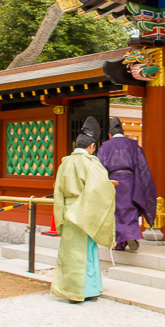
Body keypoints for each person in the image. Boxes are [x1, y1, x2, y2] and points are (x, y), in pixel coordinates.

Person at [50, 116, 116, 303]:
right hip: (83, 210)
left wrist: (60, 216)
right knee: (87, 250)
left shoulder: (64, 163)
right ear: (91, 146)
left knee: (70, 253)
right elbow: (101, 188)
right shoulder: (91, 163)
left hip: (68, 210)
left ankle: (69, 290)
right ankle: (88, 290)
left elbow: (58, 192)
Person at [97, 117, 157, 252]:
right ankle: (132, 237)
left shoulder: (106, 145)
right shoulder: (133, 145)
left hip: (113, 181)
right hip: (131, 180)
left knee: (116, 211)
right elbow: (142, 166)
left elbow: (100, 166)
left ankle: (119, 243)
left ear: (109, 135)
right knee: (131, 208)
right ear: (123, 132)